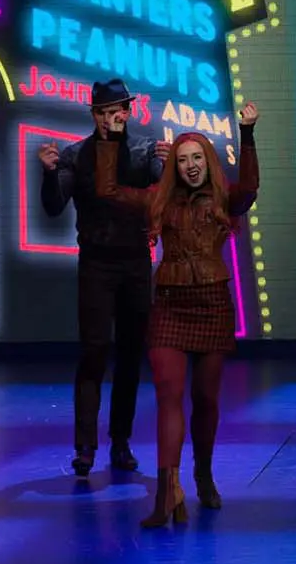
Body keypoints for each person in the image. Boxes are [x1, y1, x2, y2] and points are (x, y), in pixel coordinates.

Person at [93, 106, 259, 528]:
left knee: (205, 400)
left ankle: (202, 474)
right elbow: (108, 190)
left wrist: (247, 131)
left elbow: (252, 188)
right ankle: (168, 491)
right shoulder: (159, 201)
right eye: (182, 159)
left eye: (197, 158)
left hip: (212, 305)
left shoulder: (224, 197)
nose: (190, 166)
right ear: (174, 166)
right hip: (168, 305)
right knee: (168, 394)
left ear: (208, 160)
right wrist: (111, 139)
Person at [38, 78, 164, 476]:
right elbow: (54, 206)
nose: (118, 115)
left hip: (135, 263)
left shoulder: (144, 151)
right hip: (95, 262)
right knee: (94, 352)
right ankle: (85, 446)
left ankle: (121, 441)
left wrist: (169, 162)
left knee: (130, 354)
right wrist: (48, 172)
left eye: (123, 108)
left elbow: (161, 196)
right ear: (95, 114)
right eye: (110, 110)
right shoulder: (77, 155)